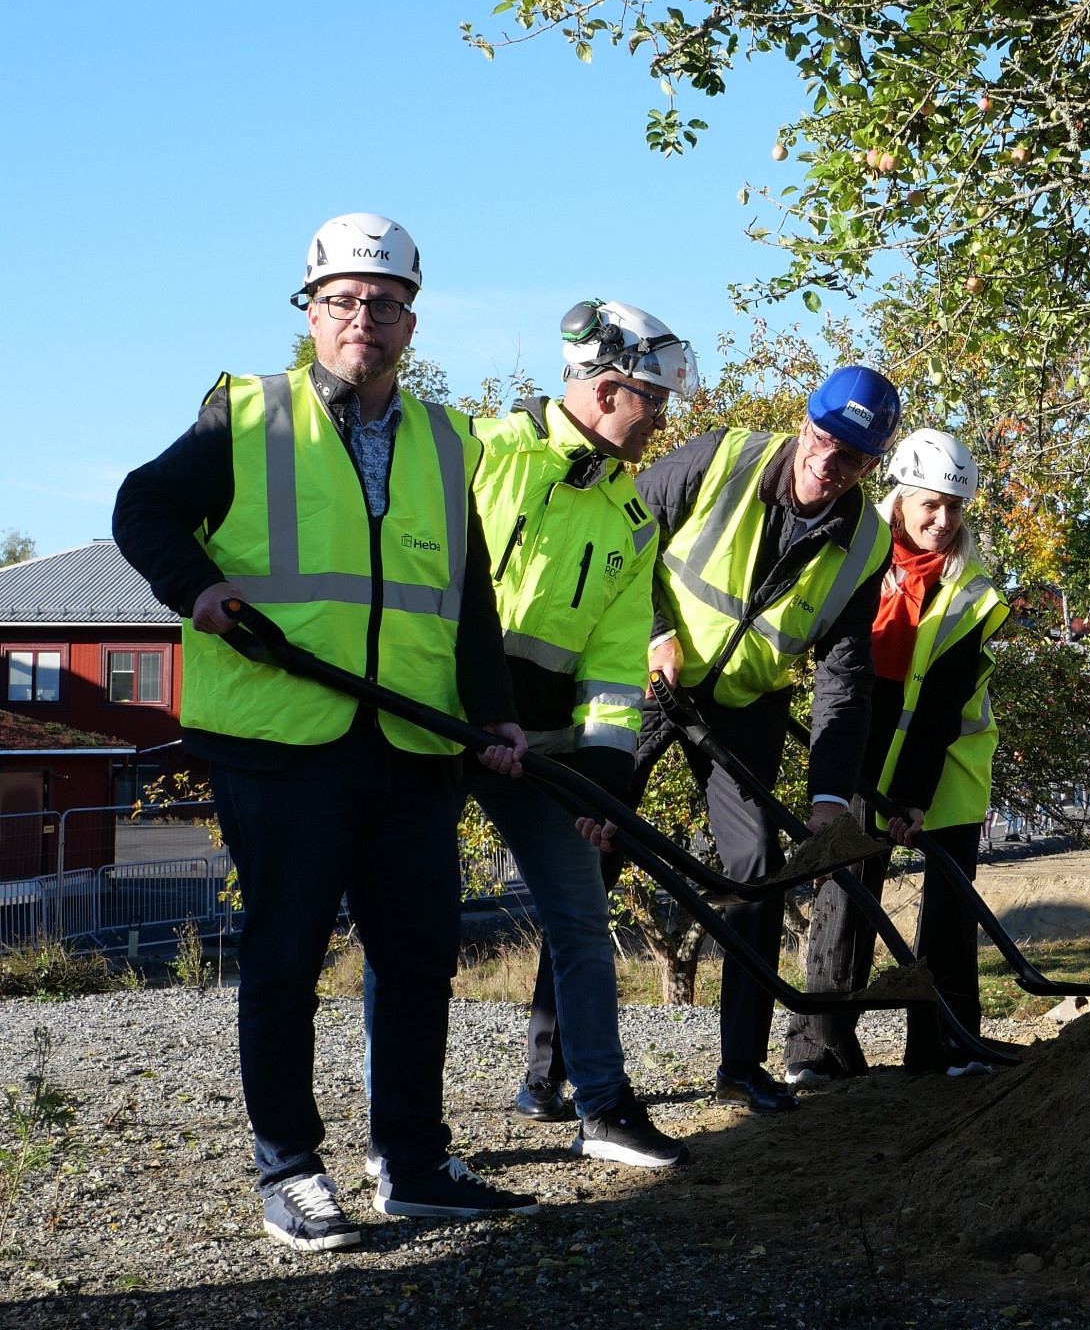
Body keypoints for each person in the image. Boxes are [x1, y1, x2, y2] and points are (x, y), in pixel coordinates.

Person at [112, 213, 537, 1253]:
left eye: (383, 302)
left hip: (411, 744)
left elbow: (467, 594)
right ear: (309, 312)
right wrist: (198, 588)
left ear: (411, 320)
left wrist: (491, 714)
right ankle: (291, 1169)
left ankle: (413, 1161)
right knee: (286, 956)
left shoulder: (448, 437)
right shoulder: (245, 415)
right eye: (341, 300)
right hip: (283, 740)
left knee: (419, 956)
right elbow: (141, 508)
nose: (363, 318)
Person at [361, 300, 697, 1171]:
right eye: (650, 401)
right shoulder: (481, 452)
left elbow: (617, 666)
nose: (659, 420)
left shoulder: (631, 518)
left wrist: (605, 773)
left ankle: (603, 1107)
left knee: (582, 923)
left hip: (542, 749)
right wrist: (471, 710)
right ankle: (395, 1133)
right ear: (604, 384)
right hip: (436, 728)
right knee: (415, 934)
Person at [582, 366, 899, 1113]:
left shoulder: (865, 542)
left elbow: (845, 677)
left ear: (870, 466)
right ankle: (549, 1067)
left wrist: (828, 799)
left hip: (745, 702)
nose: (829, 461)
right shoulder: (721, 456)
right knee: (590, 841)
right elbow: (626, 526)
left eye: (852, 457)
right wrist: (655, 628)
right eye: (823, 438)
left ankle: (741, 1065)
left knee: (758, 867)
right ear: (803, 423)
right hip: (650, 673)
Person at [782, 428, 1009, 1084]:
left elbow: (939, 705)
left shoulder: (970, 590)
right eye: (929, 505)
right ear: (900, 499)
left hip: (949, 765)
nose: (942, 521)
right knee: (845, 898)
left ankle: (945, 1044)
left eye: (954, 508)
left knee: (949, 904)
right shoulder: (856, 560)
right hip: (859, 755)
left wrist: (911, 797)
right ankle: (818, 1049)